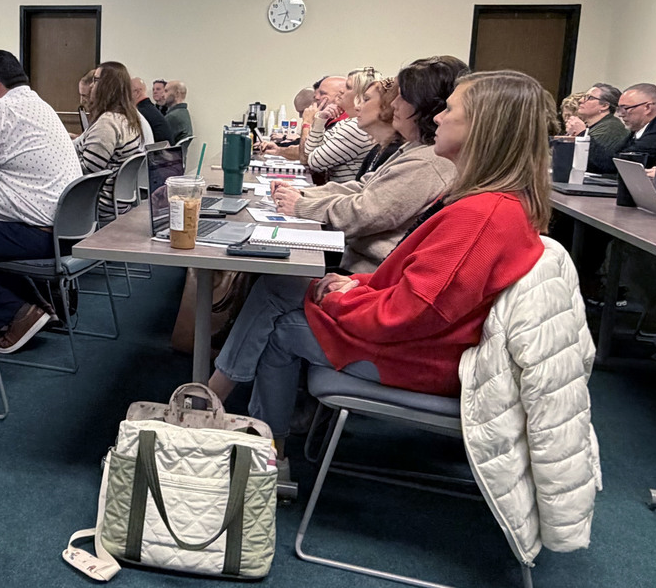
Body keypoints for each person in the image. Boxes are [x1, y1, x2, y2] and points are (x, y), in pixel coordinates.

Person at [209, 70, 552, 459]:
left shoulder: (481, 215)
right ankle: (272, 446)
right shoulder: (491, 204)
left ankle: (265, 450)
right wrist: (358, 288)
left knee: (282, 327)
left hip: (418, 358)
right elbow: (419, 291)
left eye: (451, 110)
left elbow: (409, 314)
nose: (438, 117)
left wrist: (339, 298)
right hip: (424, 341)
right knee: (284, 303)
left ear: (483, 127)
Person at [272, 59, 465, 273]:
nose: (394, 104)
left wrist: (301, 205)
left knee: (274, 283)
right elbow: (361, 187)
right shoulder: (414, 149)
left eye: (403, 97)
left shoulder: (427, 161)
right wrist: (302, 195)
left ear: (424, 105)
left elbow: (366, 211)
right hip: (354, 258)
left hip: (365, 272)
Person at [0, 50, 82, 354]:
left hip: (35, 234)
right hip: (65, 231)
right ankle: (38, 306)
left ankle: (16, 313)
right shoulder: (41, 106)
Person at [73, 62, 144, 221]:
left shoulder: (107, 123)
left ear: (108, 86)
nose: (91, 86)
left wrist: (59, 159)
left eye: (96, 80)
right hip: (118, 205)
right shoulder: (127, 118)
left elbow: (88, 171)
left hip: (98, 208)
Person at [298, 67, 378, 183]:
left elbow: (313, 162)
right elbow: (310, 151)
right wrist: (320, 120)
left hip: (342, 195)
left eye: (348, 87)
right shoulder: (345, 122)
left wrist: (308, 122)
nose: (341, 91)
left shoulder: (356, 127)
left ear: (361, 95)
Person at [565, 82, 629, 174]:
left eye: (589, 98)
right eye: (584, 96)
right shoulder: (591, 126)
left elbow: (597, 161)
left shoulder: (611, 128)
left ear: (604, 106)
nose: (581, 100)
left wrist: (581, 134)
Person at [615, 83, 656, 162]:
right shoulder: (636, 130)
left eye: (625, 108)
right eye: (619, 109)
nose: (621, 114)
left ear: (647, 107)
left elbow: (621, 160)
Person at [132, 76, 173, 144]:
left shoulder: (140, 113)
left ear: (137, 92)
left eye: (127, 92)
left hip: (156, 152)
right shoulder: (150, 109)